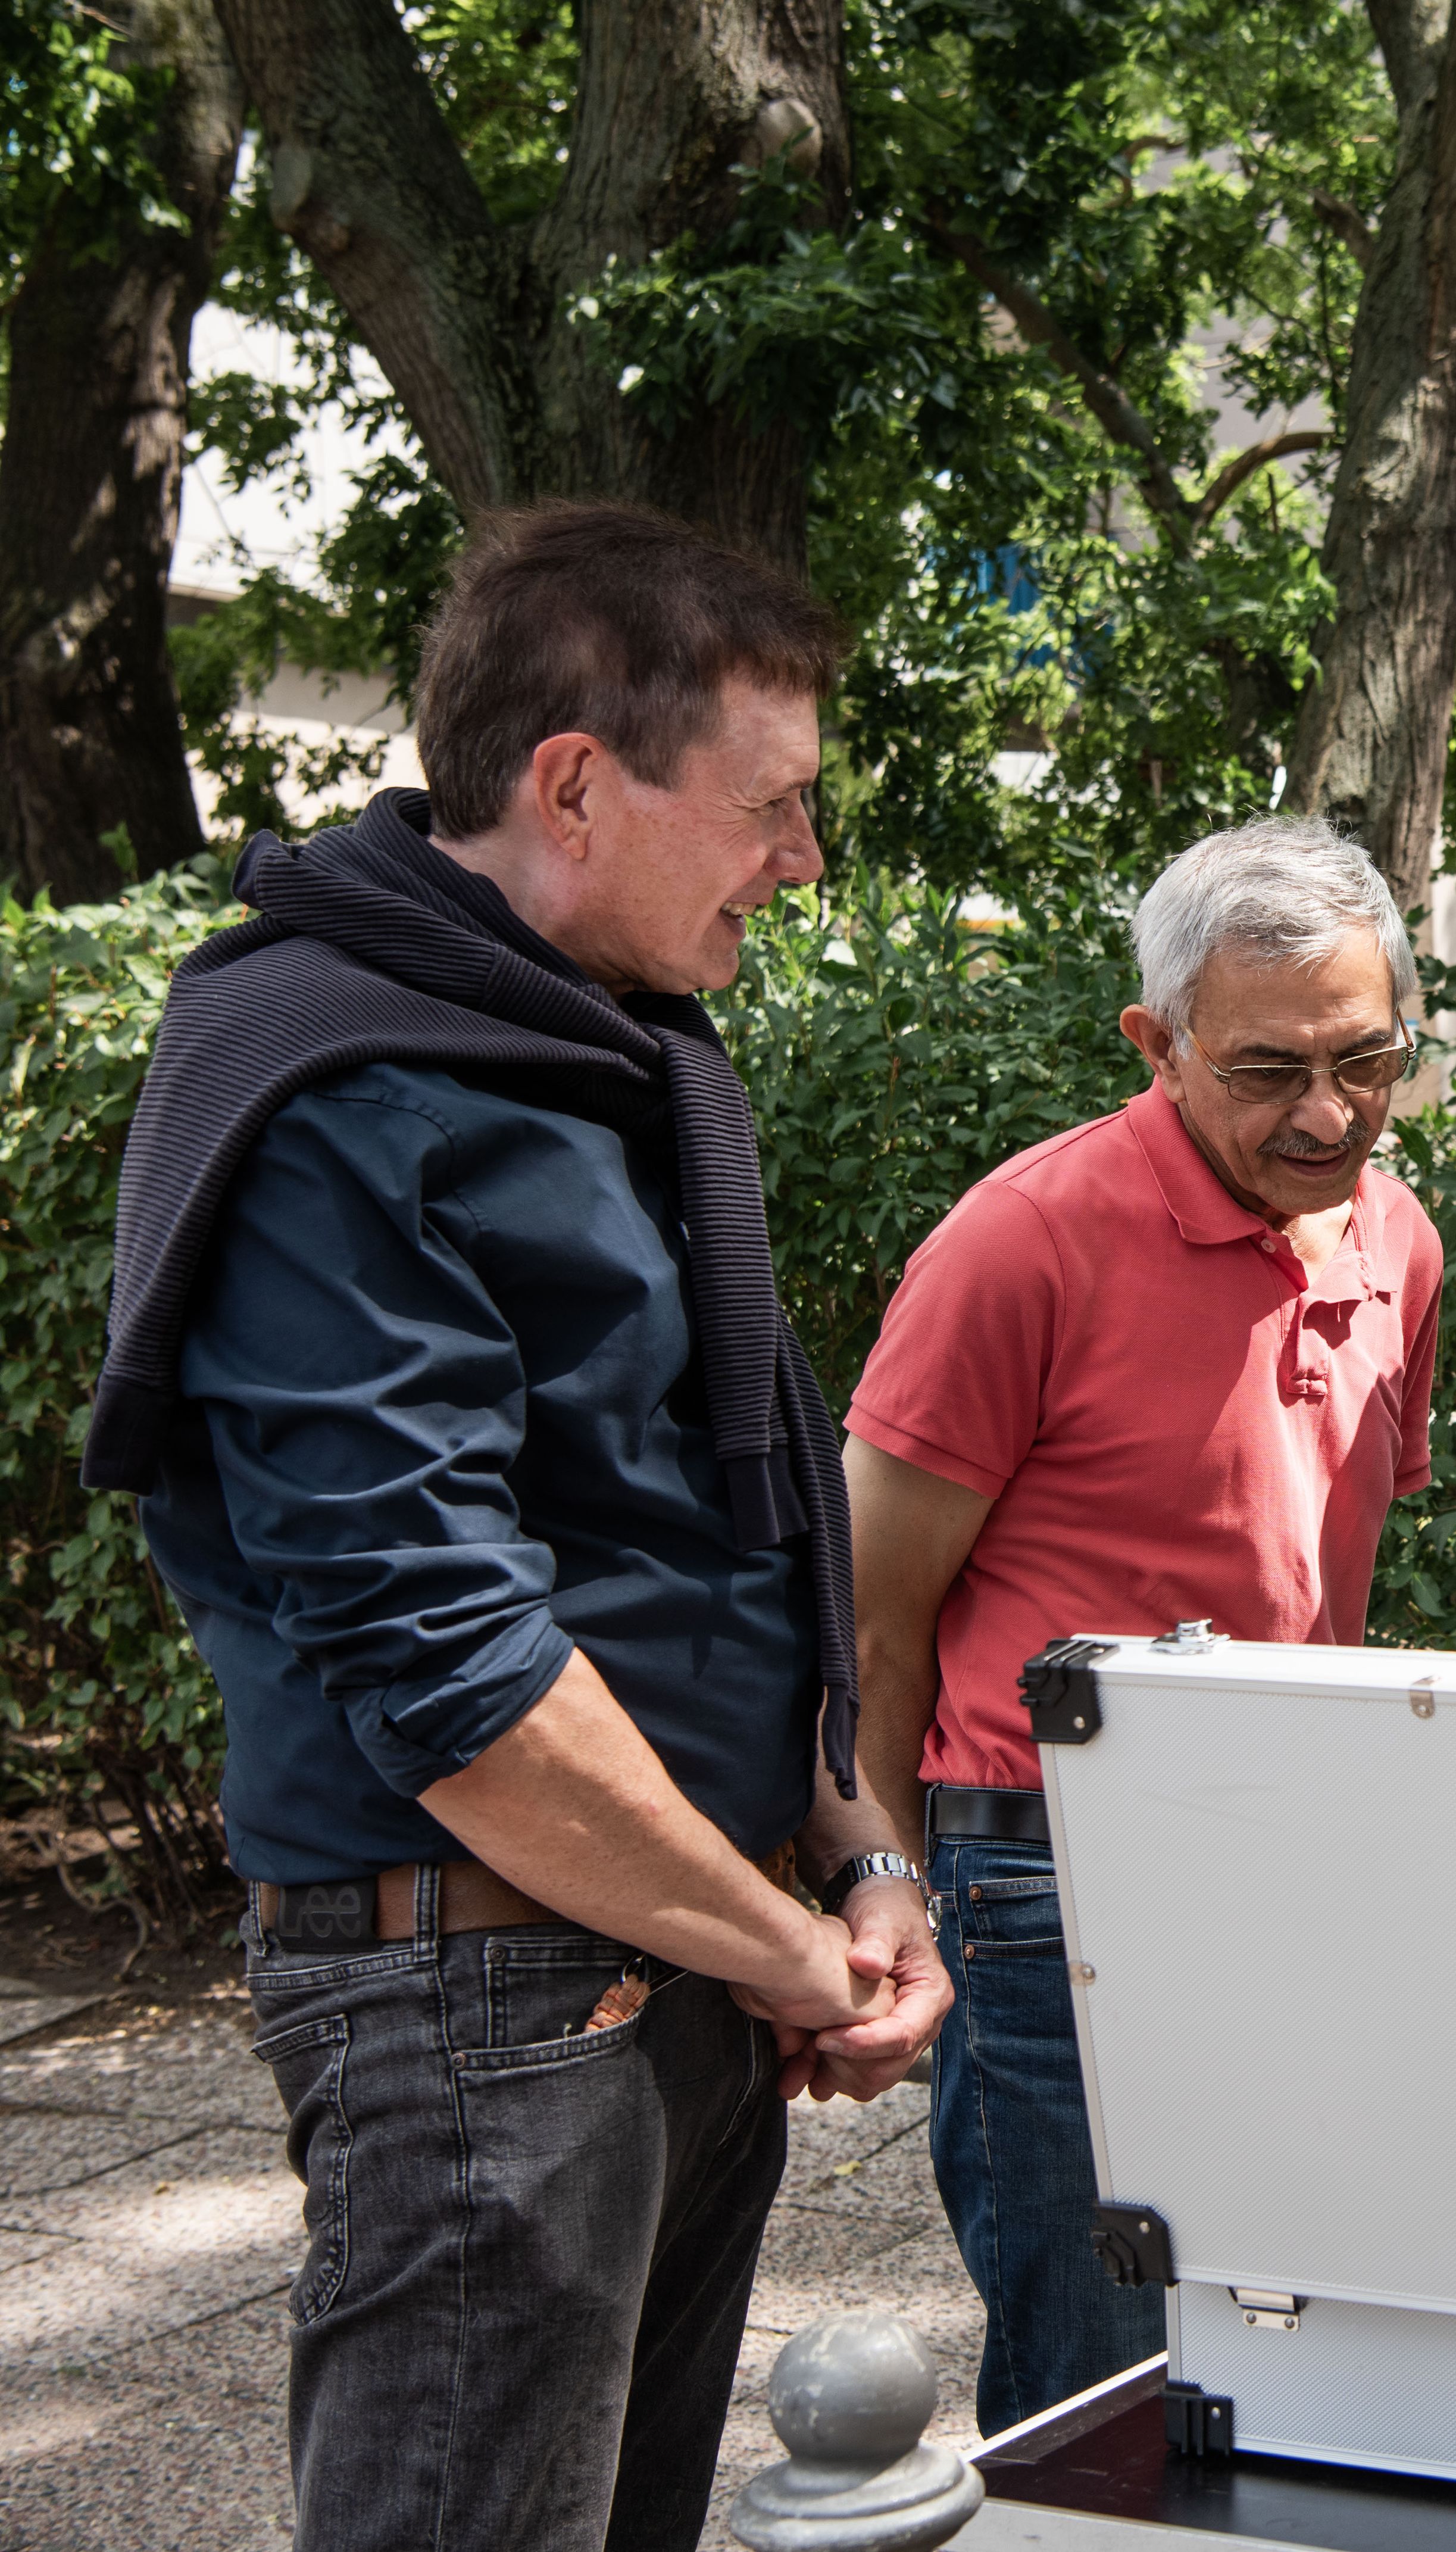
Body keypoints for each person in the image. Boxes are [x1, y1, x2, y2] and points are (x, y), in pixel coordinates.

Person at [89, 503, 951, 2552]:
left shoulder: (598, 1049)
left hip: (673, 1968)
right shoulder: (347, 1085)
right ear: (575, 781)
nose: (805, 860)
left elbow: (702, 1530)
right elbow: (448, 1666)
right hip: (488, 2017)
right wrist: (786, 1954)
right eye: (775, 805)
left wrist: (853, 1851)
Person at [844, 815, 1443, 2432]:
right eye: (1268, 1072)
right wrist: (879, 1890)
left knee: (1304, 2360)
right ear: (1156, 1043)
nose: (1329, 1115)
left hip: (1292, 1853)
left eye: (1366, 1059)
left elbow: (1335, 1580)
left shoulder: (1399, 1237)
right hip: (1052, 1878)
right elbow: (870, 1628)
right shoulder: (1023, 1244)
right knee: (1097, 2389)